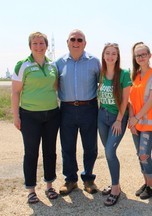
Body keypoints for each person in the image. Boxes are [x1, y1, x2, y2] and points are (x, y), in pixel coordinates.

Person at [11, 32, 60, 204]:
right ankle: (31, 190)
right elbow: (15, 92)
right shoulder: (22, 65)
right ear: (30, 46)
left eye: (41, 43)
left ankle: (49, 186)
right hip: (30, 116)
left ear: (46, 45)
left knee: (50, 151)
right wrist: (16, 116)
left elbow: (55, 87)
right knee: (31, 152)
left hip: (52, 114)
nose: (39, 46)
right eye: (35, 43)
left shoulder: (52, 66)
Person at [56, 29, 100, 195]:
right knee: (67, 146)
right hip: (66, 109)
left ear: (85, 43)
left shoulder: (94, 62)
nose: (76, 42)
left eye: (79, 40)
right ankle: (70, 180)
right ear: (67, 42)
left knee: (90, 146)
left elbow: (103, 84)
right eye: (72, 39)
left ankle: (88, 178)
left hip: (88, 108)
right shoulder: (59, 63)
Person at [129, 42, 152, 200]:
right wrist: (132, 119)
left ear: (149, 56)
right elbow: (130, 100)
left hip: (149, 122)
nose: (141, 57)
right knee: (139, 154)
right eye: (138, 55)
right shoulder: (135, 76)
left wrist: (136, 118)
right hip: (136, 122)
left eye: (144, 54)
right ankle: (146, 182)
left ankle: (151, 187)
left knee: (144, 154)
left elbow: (151, 100)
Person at [97, 43, 132, 206]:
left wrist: (119, 120)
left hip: (117, 118)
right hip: (101, 116)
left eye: (114, 54)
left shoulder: (124, 74)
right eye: (107, 53)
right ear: (103, 56)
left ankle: (116, 188)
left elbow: (125, 100)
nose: (110, 56)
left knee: (110, 151)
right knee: (108, 150)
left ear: (117, 57)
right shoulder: (101, 73)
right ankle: (114, 182)